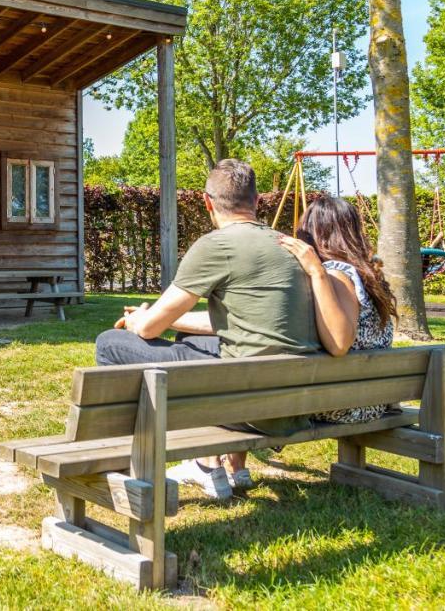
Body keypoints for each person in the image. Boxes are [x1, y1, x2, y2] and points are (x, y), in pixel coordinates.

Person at [94, 159, 321, 501]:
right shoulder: (293, 248)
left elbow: (150, 327)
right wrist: (169, 320)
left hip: (249, 408)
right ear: (257, 201)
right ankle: (210, 465)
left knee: (110, 343)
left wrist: (140, 319)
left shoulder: (216, 245)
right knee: (190, 337)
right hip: (295, 403)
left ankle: (121, 461)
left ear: (207, 202)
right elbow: (240, 322)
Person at [277, 197, 396, 423]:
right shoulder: (366, 274)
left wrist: (316, 271)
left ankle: (216, 459)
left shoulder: (334, 274)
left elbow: (339, 343)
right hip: (372, 398)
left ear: (314, 233)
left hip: (346, 404)